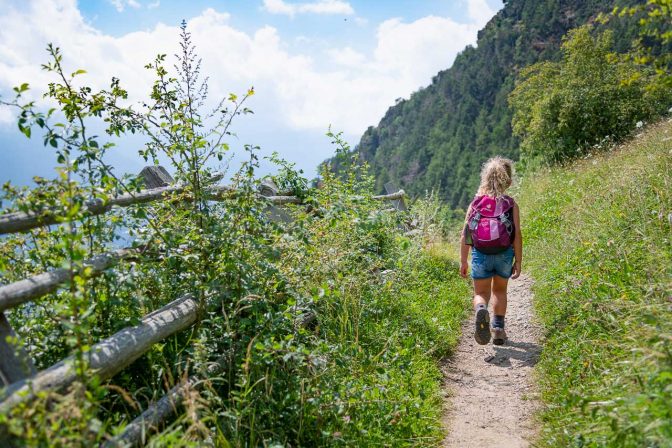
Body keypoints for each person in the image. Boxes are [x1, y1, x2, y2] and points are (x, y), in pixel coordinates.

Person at [459, 156, 522, 345]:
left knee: (481, 293)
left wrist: (464, 260)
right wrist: (518, 260)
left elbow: (466, 234)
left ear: (484, 179)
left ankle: (480, 310)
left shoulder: (475, 204)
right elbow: (517, 234)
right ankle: (498, 329)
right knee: (500, 291)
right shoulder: (511, 204)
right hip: (504, 253)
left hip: (480, 254)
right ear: (508, 182)